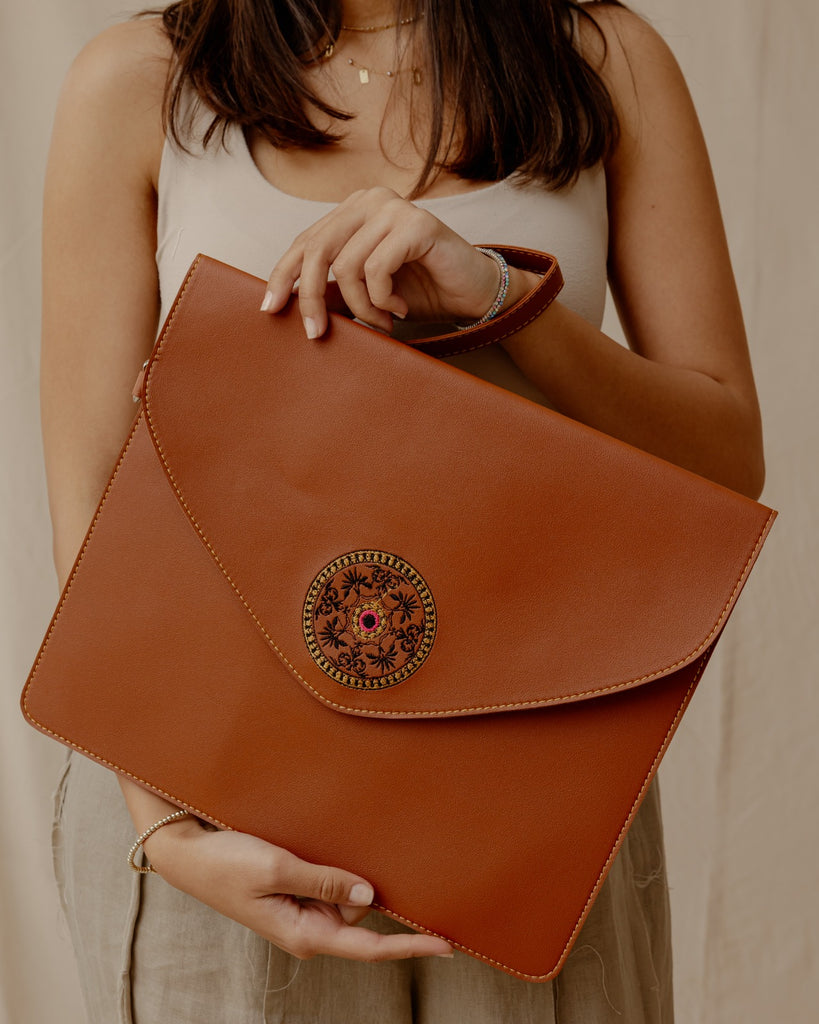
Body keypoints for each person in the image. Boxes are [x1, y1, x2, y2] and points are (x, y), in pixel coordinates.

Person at [41, 1, 765, 1021]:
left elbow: (726, 457)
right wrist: (164, 829)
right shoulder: (140, 79)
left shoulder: (602, 59)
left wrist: (498, 297)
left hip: (530, 788)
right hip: (206, 788)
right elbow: (90, 496)